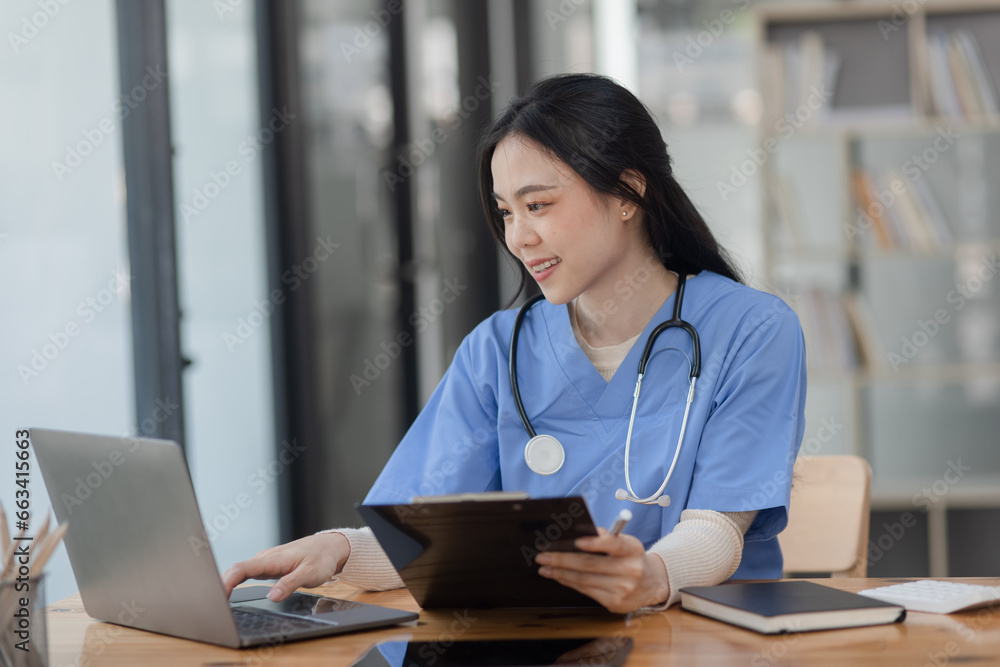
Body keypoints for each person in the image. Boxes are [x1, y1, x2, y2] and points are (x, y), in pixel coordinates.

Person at [223, 73, 807, 614]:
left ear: (628, 192)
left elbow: (718, 530)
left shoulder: (751, 331)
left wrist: (653, 575)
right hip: (546, 640)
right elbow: (425, 532)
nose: (519, 237)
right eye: (506, 212)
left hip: (702, 640)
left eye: (539, 205)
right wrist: (340, 550)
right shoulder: (498, 350)